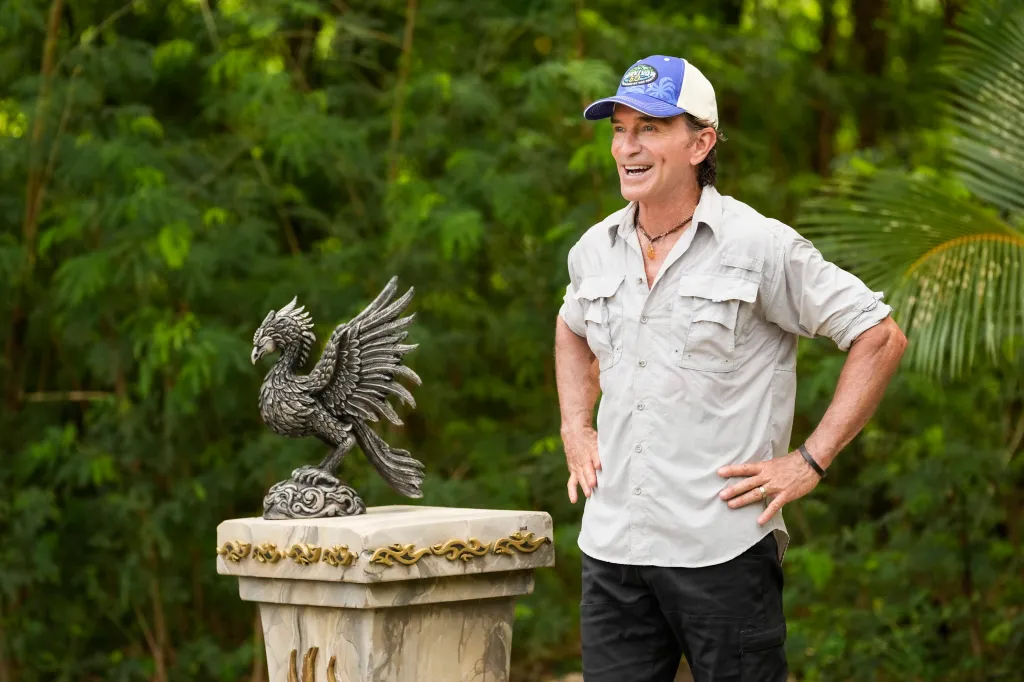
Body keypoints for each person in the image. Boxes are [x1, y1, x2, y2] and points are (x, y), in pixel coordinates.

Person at [554, 55, 908, 682]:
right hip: (613, 550)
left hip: (722, 551)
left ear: (701, 141)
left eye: (650, 129)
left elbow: (878, 336)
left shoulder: (758, 245)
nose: (627, 148)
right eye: (619, 129)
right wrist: (575, 426)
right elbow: (571, 329)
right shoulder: (595, 249)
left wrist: (811, 459)